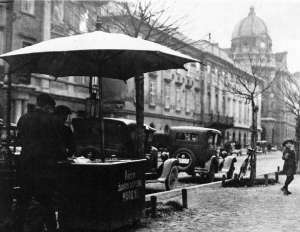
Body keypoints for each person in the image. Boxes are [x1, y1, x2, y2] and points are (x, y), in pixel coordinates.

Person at [17, 93, 66, 232]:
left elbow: (20, 140)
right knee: (47, 203)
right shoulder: (53, 121)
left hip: (25, 167)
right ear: (47, 107)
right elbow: (58, 146)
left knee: (23, 202)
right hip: (45, 169)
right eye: (51, 108)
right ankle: (51, 229)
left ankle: (17, 227)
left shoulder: (24, 119)